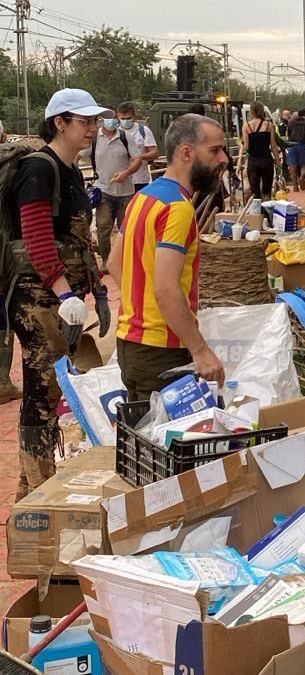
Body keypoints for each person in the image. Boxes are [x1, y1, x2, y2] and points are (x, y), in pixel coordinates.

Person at [4, 89, 110, 497]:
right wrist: (64, 293)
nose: (92, 129)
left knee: (52, 386)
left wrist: (92, 288)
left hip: (59, 297)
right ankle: (36, 487)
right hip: (37, 298)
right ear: (59, 123)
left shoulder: (69, 170)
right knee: (42, 387)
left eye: (95, 122)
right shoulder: (39, 168)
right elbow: (35, 235)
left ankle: (34, 485)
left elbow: (76, 237)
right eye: (84, 122)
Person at [108, 114, 229, 402]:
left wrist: (143, 307)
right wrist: (200, 350)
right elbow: (166, 287)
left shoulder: (144, 197)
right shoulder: (178, 208)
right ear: (187, 153)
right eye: (214, 150)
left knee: (141, 435)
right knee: (166, 441)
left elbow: (114, 262)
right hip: (161, 350)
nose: (223, 159)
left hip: (131, 343)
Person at [92, 112, 145, 265]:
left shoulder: (125, 137)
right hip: (103, 190)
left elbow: (138, 159)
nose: (112, 121)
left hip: (125, 192)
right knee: (103, 226)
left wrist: (127, 173)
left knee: (126, 228)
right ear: (101, 120)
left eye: (114, 118)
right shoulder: (95, 139)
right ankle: (106, 261)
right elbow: (78, 155)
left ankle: (125, 261)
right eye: (108, 118)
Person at [116, 102, 157, 189]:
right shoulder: (114, 132)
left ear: (134, 115)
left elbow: (155, 153)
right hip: (120, 179)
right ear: (118, 116)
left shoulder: (143, 131)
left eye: (128, 118)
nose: (126, 121)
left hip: (139, 180)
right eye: (123, 118)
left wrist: (139, 157)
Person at [240, 102, 277, 199]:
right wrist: (278, 161)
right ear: (262, 111)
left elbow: (246, 147)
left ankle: (257, 211)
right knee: (267, 191)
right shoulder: (269, 125)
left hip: (253, 161)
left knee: (255, 193)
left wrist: (243, 145)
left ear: (251, 112)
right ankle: (267, 211)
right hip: (266, 160)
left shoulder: (246, 126)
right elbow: (273, 145)